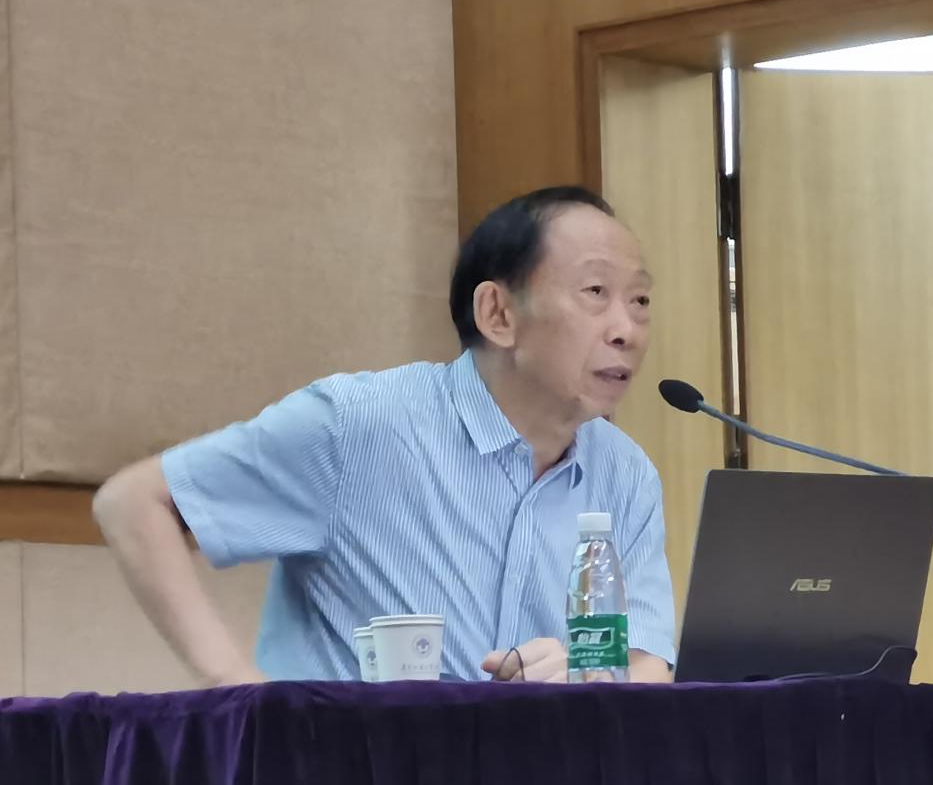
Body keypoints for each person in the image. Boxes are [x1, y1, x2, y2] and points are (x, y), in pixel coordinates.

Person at [93, 186, 675, 685]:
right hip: (350, 772)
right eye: (595, 293)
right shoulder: (358, 424)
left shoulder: (624, 473)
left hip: (530, 774)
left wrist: (582, 673)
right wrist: (236, 690)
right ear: (498, 314)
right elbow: (134, 502)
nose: (626, 330)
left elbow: (648, 663)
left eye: (641, 300)